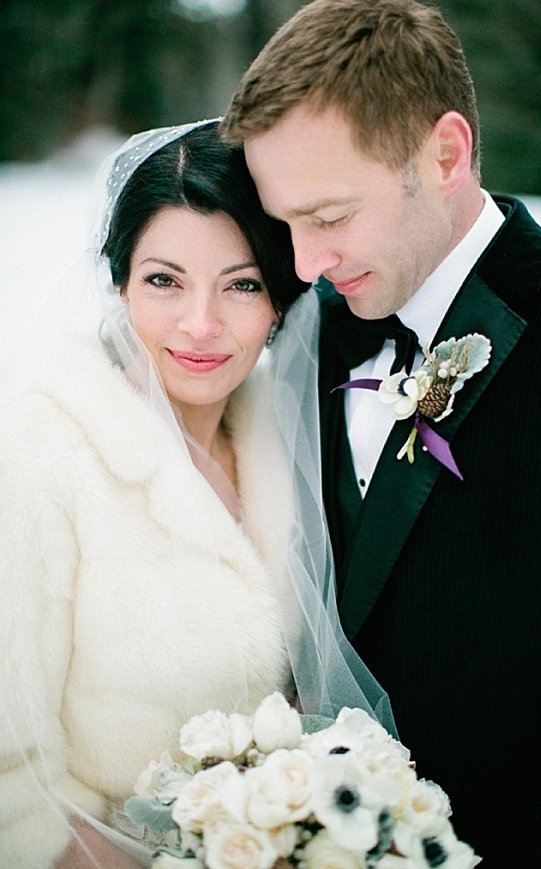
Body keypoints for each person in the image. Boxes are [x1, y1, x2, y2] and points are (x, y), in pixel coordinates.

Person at [220, 0, 541, 868]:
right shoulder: (308, 339)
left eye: (329, 217)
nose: (306, 265)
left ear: (446, 153)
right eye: (287, 228)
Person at [0, 119, 394, 869]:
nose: (202, 325)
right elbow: (8, 779)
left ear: (281, 298)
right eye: (163, 280)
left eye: (242, 284)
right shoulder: (39, 452)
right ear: (118, 283)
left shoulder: (286, 443)